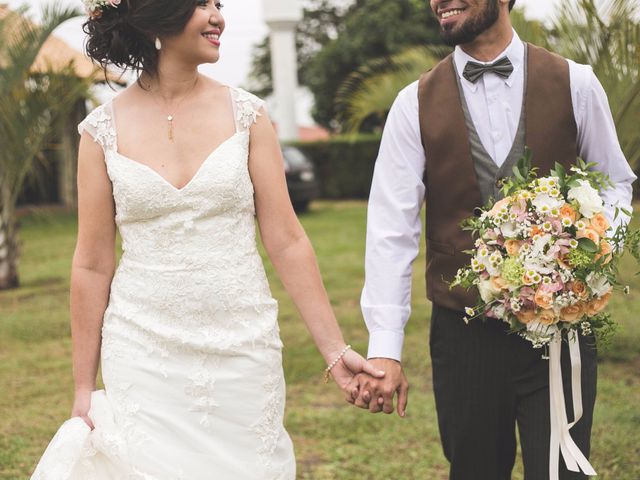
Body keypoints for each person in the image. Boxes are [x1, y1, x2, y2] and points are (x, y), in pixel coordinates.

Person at [30, 1, 383, 478]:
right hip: (142, 349)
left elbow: (286, 240)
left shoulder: (249, 116)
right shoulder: (100, 133)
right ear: (160, 16)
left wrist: (334, 350)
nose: (218, 16)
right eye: (203, 4)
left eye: (220, 5)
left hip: (243, 348)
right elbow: (92, 263)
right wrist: (81, 387)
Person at [348, 0, 636, 479]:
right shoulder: (413, 103)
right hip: (463, 336)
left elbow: (615, 184)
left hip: (560, 332)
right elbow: (390, 230)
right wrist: (385, 346)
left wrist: (586, 256)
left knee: (563, 471)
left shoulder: (576, 82)